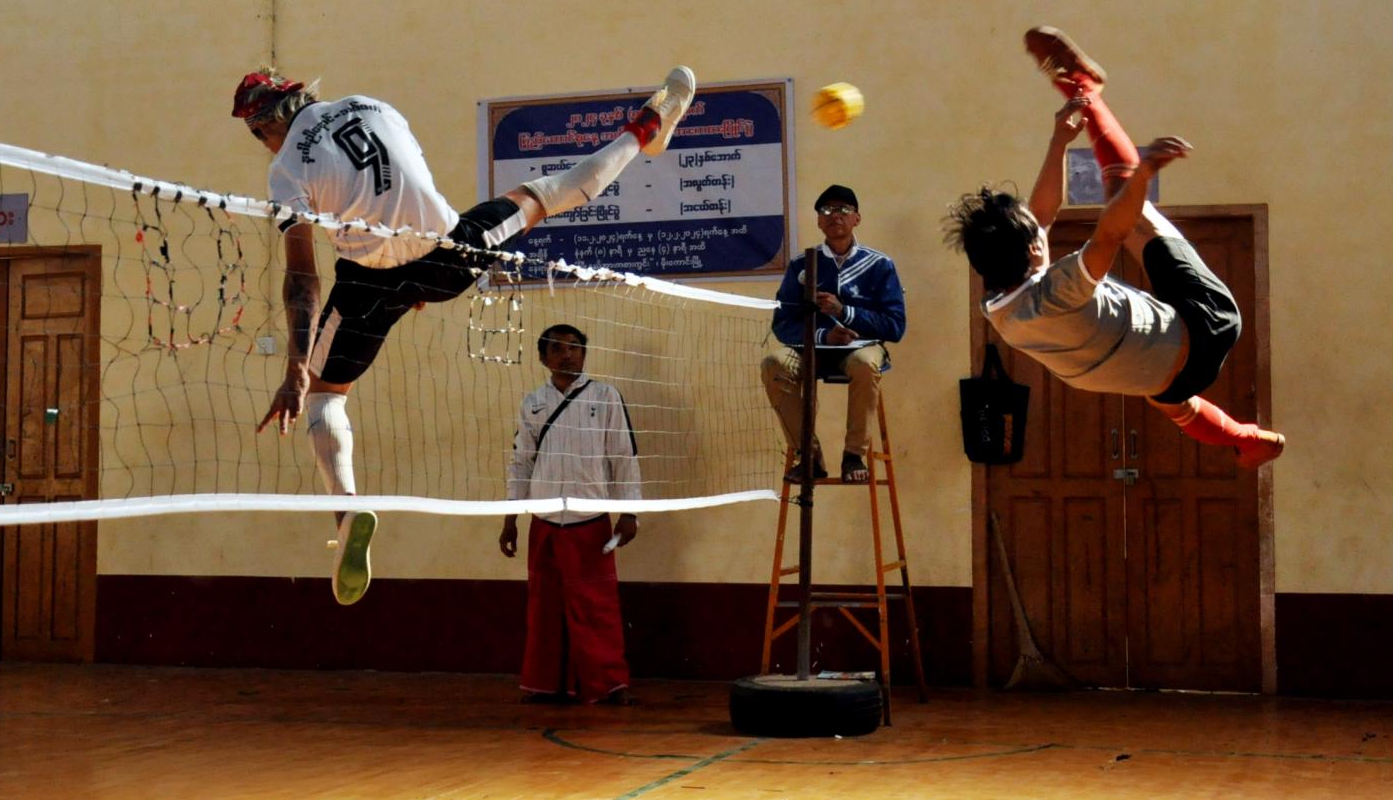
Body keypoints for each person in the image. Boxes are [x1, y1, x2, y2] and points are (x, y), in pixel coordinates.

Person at [236, 65, 695, 605]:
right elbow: (409, 183)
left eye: (259, 137)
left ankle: (348, 510)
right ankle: (645, 129)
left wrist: (295, 367)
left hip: (368, 281)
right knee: (549, 194)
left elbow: (302, 278)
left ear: (263, 129)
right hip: (447, 256)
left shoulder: (287, 168)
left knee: (323, 397)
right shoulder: (372, 104)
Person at [943, 27, 1284, 468]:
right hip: (1207, 326)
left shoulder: (996, 307)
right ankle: (1087, 88)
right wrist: (1144, 175)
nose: (1040, 223)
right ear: (1032, 252)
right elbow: (1109, 234)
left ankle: (1244, 439)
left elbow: (1041, 215)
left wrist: (1059, 141)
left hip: (1159, 376)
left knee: (1170, 397)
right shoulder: (1060, 291)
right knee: (1123, 197)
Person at [499, 324, 640, 705]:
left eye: (575, 347)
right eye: (558, 348)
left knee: (597, 608)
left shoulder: (605, 396)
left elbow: (624, 457)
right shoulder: (532, 402)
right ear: (543, 358)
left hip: (590, 520)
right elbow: (521, 462)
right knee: (544, 607)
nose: (568, 354)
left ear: (584, 354)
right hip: (544, 520)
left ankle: (608, 685)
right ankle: (546, 684)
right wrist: (511, 518)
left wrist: (630, 512)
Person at [762, 185, 906, 484]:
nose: (834, 215)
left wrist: (845, 313)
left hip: (860, 347)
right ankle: (809, 455)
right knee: (774, 364)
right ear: (818, 220)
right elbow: (782, 323)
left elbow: (895, 326)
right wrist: (823, 336)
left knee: (865, 364)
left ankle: (853, 456)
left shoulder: (879, 265)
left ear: (857, 218)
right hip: (811, 348)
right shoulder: (802, 265)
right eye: (826, 210)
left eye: (843, 209)